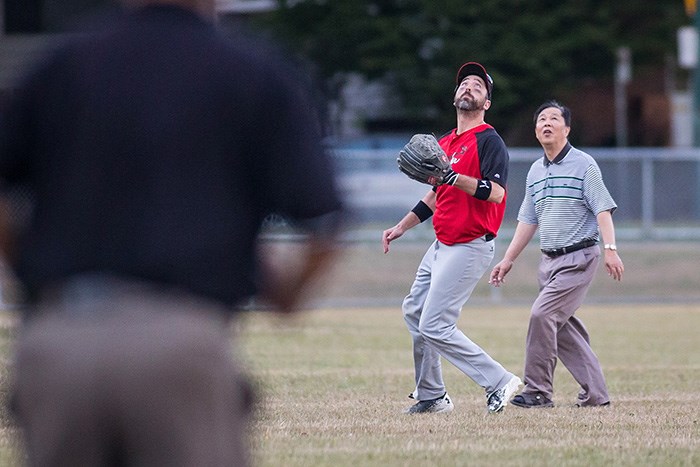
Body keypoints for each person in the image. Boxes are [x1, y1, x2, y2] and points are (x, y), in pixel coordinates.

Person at [0, 0, 343, 465]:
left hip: (63, 333)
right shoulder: (251, 71)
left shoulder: (63, 64)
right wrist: (284, 296)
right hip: (182, 335)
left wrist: (27, 265)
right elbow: (323, 221)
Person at [382, 62, 522, 415]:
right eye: (464, 83)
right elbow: (435, 194)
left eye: (478, 85)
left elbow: (496, 193)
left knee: (435, 324)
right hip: (441, 244)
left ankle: (499, 380)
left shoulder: (490, 141)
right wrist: (403, 225)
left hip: (471, 244)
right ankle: (432, 396)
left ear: (486, 102)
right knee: (414, 311)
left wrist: (451, 175)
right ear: (454, 96)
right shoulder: (445, 142)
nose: (469, 88)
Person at [489, 100, 624, 409]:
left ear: (567, 128)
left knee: (542, 315)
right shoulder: (536, 171)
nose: (546, 124)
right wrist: (508, 259)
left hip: (578, 259)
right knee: (562, 330)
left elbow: (603, 210)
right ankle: (596, 395)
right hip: (548, 262)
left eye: (553, 119)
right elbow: (528, 220)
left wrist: (611, 250)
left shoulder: (584, 164)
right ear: (536, 131)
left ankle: (538, 390)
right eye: (541, 120)